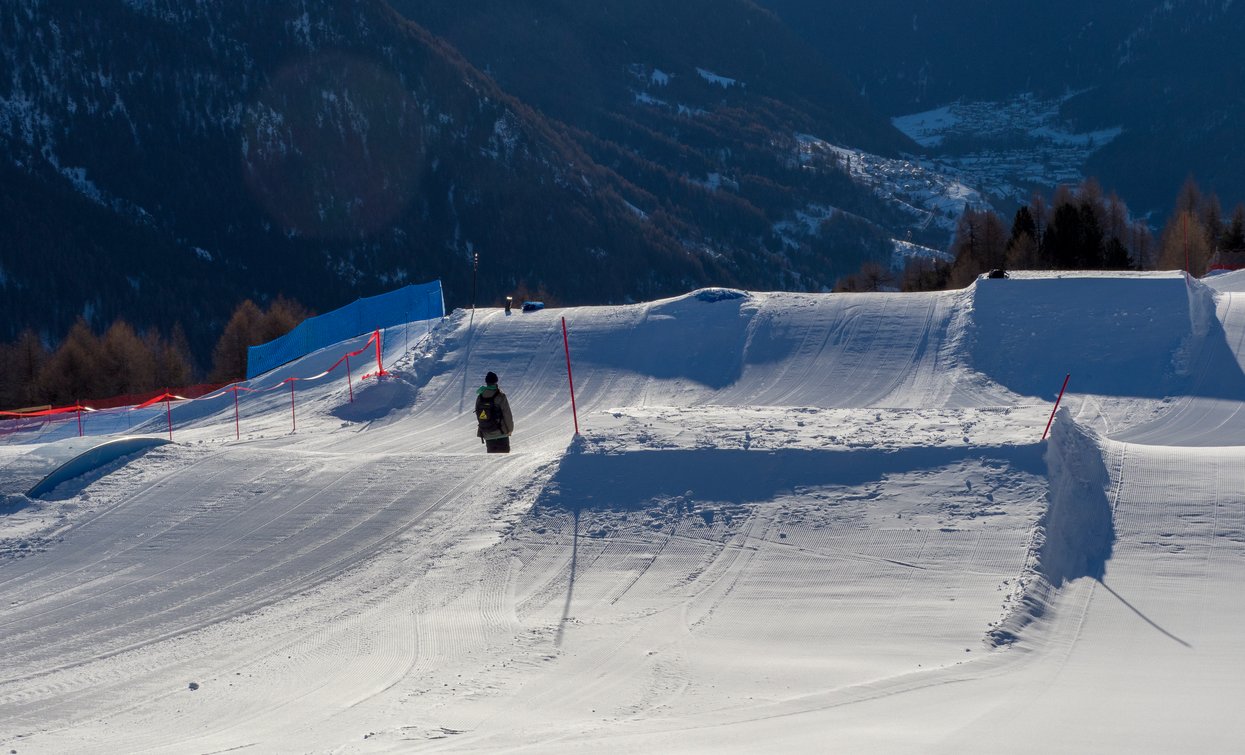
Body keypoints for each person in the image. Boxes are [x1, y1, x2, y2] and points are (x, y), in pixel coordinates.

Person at [475, 371, 514, 453]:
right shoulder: (500, 396)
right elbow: (507, 414)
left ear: (486, 382)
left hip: (487, 434)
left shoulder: (480, 396)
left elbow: (478, 414)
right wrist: (510, 429)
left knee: (493, 461)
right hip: (501, 433)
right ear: (496, 381)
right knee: (503, 461)